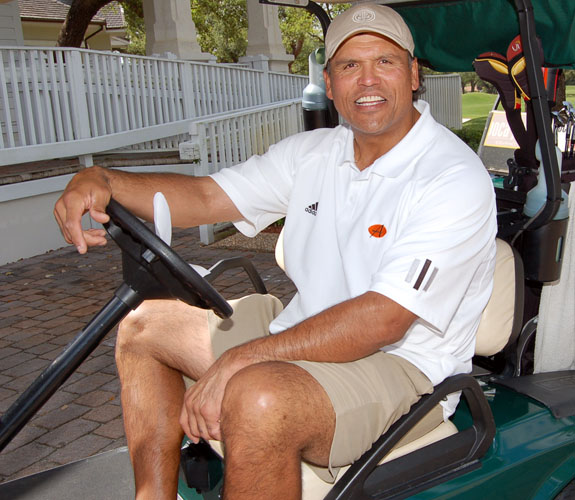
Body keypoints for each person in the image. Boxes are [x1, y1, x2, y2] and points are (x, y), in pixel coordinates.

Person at [54, 4, 497, 499]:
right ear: (330, 84)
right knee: (144, 326)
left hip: (405, 366)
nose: (367, 80)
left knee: (258, 397)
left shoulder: (451, 176)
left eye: (385, 62)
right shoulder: (314, 153)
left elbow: (383, 321)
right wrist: (102, 180)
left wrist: (241, 360)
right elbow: (204, 197)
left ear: (414, 75)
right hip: (307, 336)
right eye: (350, 65)